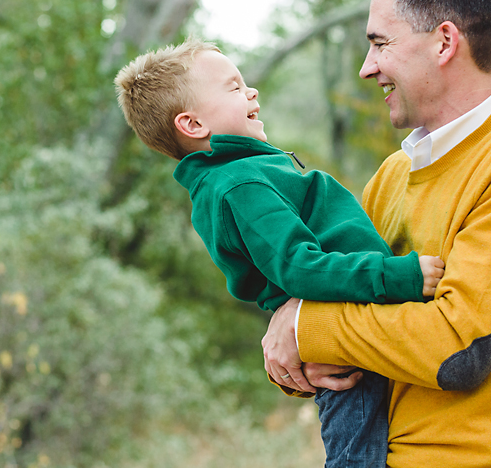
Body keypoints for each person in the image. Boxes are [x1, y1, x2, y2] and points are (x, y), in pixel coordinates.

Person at [262, 0, 491, 468]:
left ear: (444, 42)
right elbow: (330, 337)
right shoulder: (395, 174)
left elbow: (460, 349)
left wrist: (306, 325)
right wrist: (294, 347)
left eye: (380, 43)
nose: (366, 67)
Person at [114, 39, 446, 467]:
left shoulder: (241, 174)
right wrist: (401, 276)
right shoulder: (239, 184)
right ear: (192, 123)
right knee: (356, 456)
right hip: (344, 341)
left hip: (345, 326)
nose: (251, 92)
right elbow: (298, 267)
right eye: (233, 88)